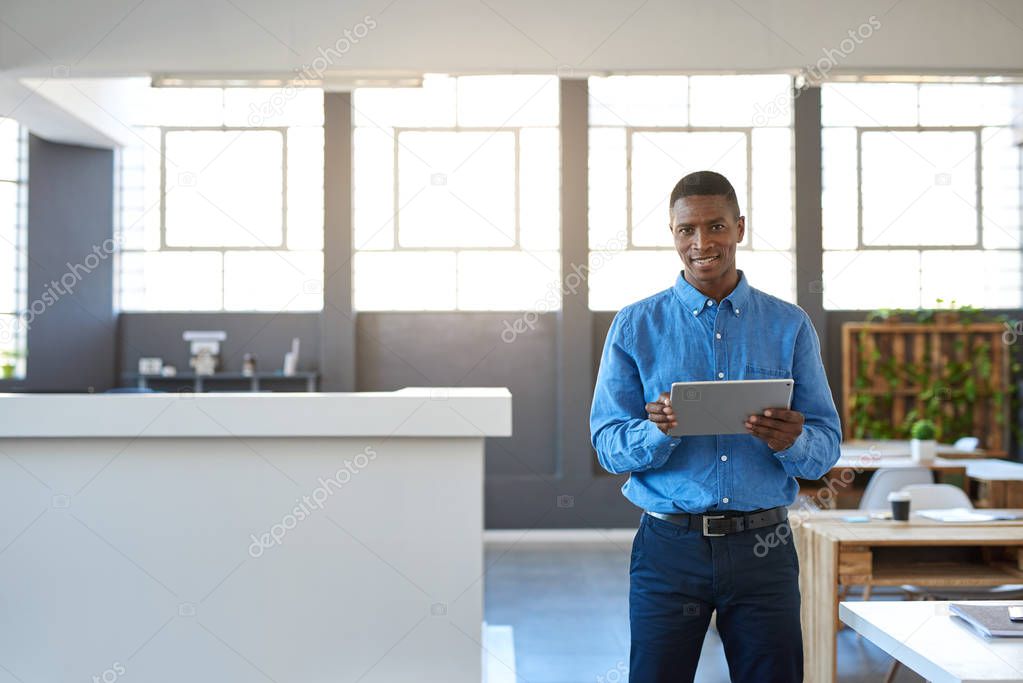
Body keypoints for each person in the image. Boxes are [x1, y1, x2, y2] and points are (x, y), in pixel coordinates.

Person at [589, 170, 842, 682]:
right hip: (669, 550)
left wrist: (793, 442)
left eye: (716, 226)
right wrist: (656, 431)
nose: (702, 243)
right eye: (687, 230)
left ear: (740, 229)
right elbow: (607, 446)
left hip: (763, 549)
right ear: (673, 234)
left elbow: (827, 447)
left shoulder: (789, 324)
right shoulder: (635, 325)